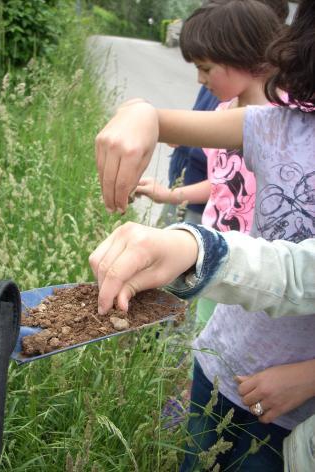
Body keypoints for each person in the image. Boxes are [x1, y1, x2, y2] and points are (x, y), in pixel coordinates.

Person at [93, 0, 315, 469]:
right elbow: (159, 119)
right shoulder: (280, 126)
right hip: (218, 363)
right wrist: (138, 113)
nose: (201, 79)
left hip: (290, 409)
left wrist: (311, 377)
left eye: (207, 67)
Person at [160, 0, 289, 228]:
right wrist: (168, 195)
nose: (200, 79)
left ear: (240, 54)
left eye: (206, 69)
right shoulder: (223, 110)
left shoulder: (290, 118)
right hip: (214, 246)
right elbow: (219, 184)